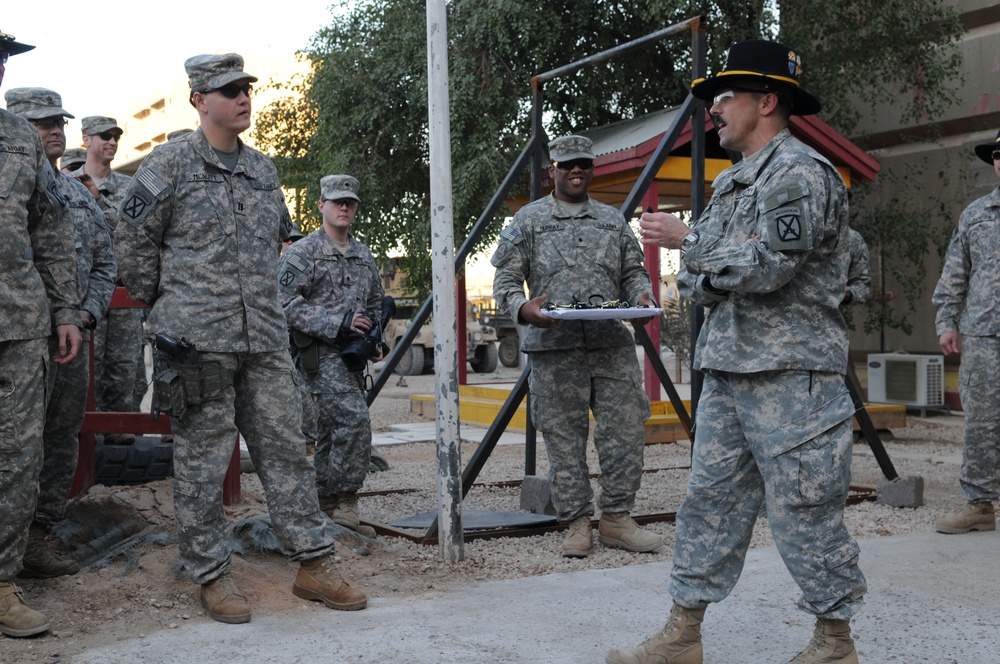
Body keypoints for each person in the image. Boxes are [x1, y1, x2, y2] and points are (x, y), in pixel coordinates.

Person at [607, 40, 866, 664]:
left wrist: (690, 241)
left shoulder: (800, 174)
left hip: (791, 377)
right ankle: (684, 633)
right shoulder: (731, 186)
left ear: (768, 101)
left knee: (805, 509)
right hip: (726, 368)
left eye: (725, 97)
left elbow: (769, 267)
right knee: (709, 504)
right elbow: (698, 284)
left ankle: (835, 641)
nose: (714, 110)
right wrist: (707, 260)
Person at [113, 52, 367, 624]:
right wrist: (168, 302)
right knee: (203, 461)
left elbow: (278, 240)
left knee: (285, 450)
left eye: (246, 87)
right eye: (228, 91)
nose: (242, 98)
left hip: (264, 340)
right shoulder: (169, 165)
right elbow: (130, 240)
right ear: (200, 100)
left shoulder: (263, 171)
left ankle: (314, 563)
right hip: (197, 341)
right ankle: (211, 573)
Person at [491, 134, 661, 559]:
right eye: (567, 165)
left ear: (592, 167)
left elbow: (634, 273)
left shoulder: (612, 220)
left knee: (624, 433)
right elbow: (505, 283)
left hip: (610, 345)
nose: (576, 171)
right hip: (555, 348)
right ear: (553, 171)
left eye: (583, 163)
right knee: (565, 440)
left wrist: (641, 295)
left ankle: (617, 519)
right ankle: (577, 522)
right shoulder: (528, 221)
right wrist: (523, 310)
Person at [5, 87, 117, 579]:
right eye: (41, 122)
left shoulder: (74, 193)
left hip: (63, 337)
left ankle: (38, 538)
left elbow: (106, 261)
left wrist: (84, 311)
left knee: (56, 437)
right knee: (15, 445)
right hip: (21, 331)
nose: (54, 131)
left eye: (59, 123)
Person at [0, 29, 82, 639]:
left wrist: (65, 311)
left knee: (16, 457)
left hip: (18, 322)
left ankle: (2, 584)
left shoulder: (18, 140)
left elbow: (51, 233)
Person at [278, 175, 384, 538]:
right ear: (321, 205)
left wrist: (374, 337)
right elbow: (285, 303)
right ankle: (346, 498)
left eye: (350, 202)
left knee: (330, 429)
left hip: (353, 357)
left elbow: (374, 302)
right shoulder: (302, 252)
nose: (344, 207)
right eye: (337, 201)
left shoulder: (362, 254)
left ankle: (324, 499)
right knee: (354, 422)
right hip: (319, 353)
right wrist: (337, 322)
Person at [931, 129, 1000, 536]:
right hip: (983, 337)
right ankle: (979, 505)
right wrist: (946, 322)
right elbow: (955, 274)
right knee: (981, 422)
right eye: (997, 155)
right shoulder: (976, 215)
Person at [72, 115, 142, 440]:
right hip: (84, 295)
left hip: (124, 294)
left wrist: (99, 203)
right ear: (86, 139)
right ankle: (88, 447)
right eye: (104, 135)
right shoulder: (66, 183)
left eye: (116, 135)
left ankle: (122, 448)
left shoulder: (130, 187)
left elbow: (134, 232)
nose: (112, 141)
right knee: (86, 374)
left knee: (124, 372)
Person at [842, 228, 871, 307]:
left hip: (827, 316)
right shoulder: (806, 236)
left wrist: (848, 294)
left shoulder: (852, 239)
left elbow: (863, 287)